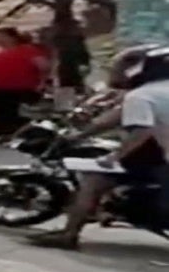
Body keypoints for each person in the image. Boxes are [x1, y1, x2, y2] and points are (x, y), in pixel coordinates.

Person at [30, 44, 169, 250]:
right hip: (159, 153)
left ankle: (69, 235)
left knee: (93, 180)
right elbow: (112, 119)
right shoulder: (154, 92)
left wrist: (114, 156)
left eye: (123, 66)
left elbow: (141, 131)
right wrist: (81, 134)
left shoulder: (141, 96)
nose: (117, 71)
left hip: (161, 158)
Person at [0, 27, 49, 143]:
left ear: (13, 37)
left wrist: (43, 83)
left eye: (1, 37)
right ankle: (2, 135)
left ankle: (21, 137)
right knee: (0, 114)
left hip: (19, 88)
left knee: (16, 113)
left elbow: (44, 66)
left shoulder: (28, 50)